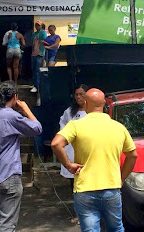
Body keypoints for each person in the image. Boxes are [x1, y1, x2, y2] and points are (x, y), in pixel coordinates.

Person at [51, 88, 138, 232]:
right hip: (111, 188)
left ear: (85, 103)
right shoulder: (118, 127)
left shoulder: (76, 125)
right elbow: (133, 155)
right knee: (116, 228)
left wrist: (68, 165)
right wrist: (121, 180)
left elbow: (55, 144)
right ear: (104, 103)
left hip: (85, 189)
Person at [0, 81, 42, 232]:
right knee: (7, 225)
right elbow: (37, 128)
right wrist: (26, 109)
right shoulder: (12, 116)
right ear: (15, 96)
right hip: (9, 175)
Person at [59, 84, 88, 223]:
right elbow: (63, 125)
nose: (78, 97)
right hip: (72, 152)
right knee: (75, 186)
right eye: (76, 94)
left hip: (88, 153)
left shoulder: (92, 112)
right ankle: (78, 213)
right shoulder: (69, 112)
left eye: (81, 94)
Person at [30, 20, 47, 93]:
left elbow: (45, 41)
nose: (37, 26)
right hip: (34, 53)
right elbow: (32, 43)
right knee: (34, 70)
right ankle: (35, 85)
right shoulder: (34, 34)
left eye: (38, 25)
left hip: (40, 53)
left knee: (38, 70)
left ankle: (38, 86)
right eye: (36, 25)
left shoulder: (43, 32)